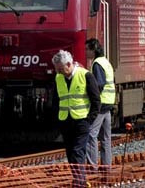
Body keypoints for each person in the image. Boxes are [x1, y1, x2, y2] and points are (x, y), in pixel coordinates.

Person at [52, 50, 100, 187]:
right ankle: (79, 180)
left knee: (78, 151)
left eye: (61, 69)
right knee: (70, 153)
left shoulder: (85, 75)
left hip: (81, 121)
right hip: (66, 122)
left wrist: (89, 120)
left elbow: (96, 100)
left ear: (68, 64)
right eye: (57, 70)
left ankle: (80, 182)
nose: (59, 72)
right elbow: (56, 100)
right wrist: (57, 120)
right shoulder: (58, 78)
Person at [85, 38, 115, 168]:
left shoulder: (97, 64)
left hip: (101, 104)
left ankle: (93, 167)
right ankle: (106, 167)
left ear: (93, 50)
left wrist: (92, 99)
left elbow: (100, 84)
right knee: (106, 138)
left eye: (87, 49)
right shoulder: (105, 62)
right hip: (108, 103)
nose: (86, 52)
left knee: (91, 135)